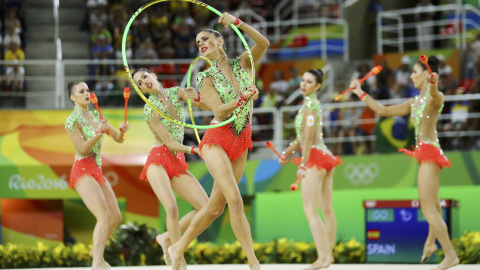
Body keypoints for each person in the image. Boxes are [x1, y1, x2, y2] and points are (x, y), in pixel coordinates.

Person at [168, 12, 270, 270]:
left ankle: (177, 247)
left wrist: (239, 23)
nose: (199, 43)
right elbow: (219, 111)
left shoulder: (244, 62)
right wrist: (243, 98)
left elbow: (264, 44)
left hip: (242, 139)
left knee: (215, 209)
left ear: (220, 40)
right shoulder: (204, 77)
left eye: (204, 38)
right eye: (196, 42)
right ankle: (253, 262)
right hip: (217, 139)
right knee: (235, 199)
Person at [349, 56, 459, 270]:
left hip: (430, 153)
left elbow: (435, 95)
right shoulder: (414, 102)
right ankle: (429, 244)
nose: (410, 76)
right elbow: (385, 111)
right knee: (433, 204)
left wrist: (435, 83)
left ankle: (450, 254)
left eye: (415, 72)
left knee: (427, 209)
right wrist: (360, 92)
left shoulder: (435, 97)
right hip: (425, 153)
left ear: (427, 75)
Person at [132, 68, 210, 269]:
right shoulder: (150, 108)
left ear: (154, 76)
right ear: (140, 90)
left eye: (145, 76)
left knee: (206, 207)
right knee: (172, 208)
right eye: (139, 83)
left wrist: (197, 96)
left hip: (176, 160)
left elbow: (200, 104)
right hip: (159, 158)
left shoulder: (176, 92)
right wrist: (193, 148)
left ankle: (165, 238)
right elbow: (168, 142)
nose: (144, 82)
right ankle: (178, 260)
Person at [278, 70, 341, 270]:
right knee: (327, 210)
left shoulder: (310, 106)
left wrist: (303, 164)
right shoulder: (309, 105)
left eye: (309, 81)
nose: (304, 84)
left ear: (318, 86)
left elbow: (307, 138)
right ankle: (328, 255)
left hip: (314, 158)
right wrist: (287, 153)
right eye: (303, 80)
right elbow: (301, 138)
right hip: (323, 155)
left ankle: (323, 257)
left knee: (310, 210)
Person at [65, 81, 129, 270]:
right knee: (103, 215)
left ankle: (97, 251)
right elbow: (83, 149)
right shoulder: (72, 120)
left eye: (87, 90)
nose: (87, 93)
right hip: (82, 169)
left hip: (96, 170)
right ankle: (97, 263)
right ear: (73, 98)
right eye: (81, 91)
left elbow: (118, 139)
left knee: (115, 216)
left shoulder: (96, 116)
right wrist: (99, 131)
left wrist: (123, 130)